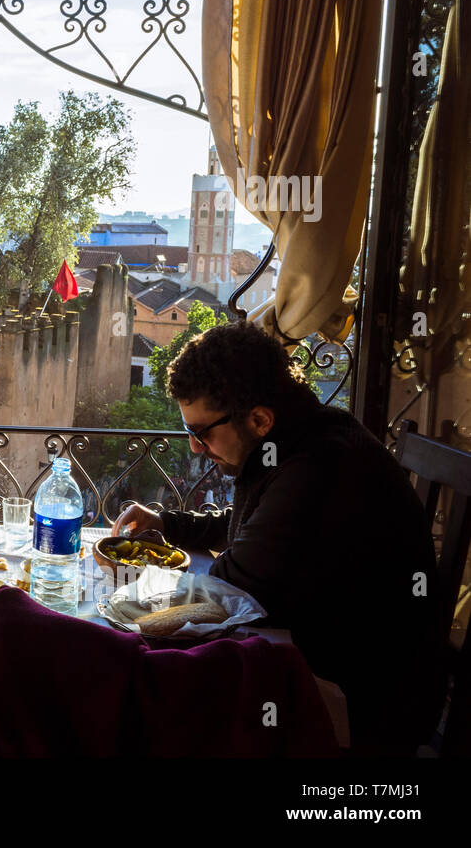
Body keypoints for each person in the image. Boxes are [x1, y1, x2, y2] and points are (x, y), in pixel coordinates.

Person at [112, 321, 444, 755]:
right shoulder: (305, 437)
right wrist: (168, 524)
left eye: (202, 433)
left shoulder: (322, 466)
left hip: (366, 706)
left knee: (145, 686)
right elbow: (255, 526)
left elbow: (228, 588)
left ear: (260, 419)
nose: (195, 448)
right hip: (335, 658)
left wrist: (130, 589)